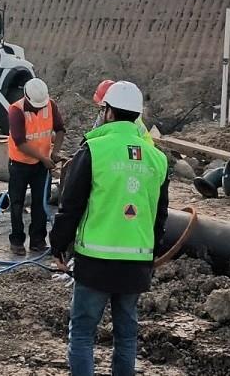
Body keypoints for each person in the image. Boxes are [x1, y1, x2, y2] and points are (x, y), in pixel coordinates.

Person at [50, 80, 170, 376]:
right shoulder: (157, 158)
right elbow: (159, 215)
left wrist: (58, 245)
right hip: (136, 262)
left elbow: (71, 205)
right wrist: (151, 254)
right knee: (126, 336)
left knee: (82, 334)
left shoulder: (94, 150)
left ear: (108, 113)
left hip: (96, 262)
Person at [5, 77, 65, 256]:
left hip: (41, 165)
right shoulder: (16, 110)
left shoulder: (50, 105)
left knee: (41, 202)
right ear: (26, 96)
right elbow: (20, 142)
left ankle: (37, 241)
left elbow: (60, 129)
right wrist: (44, 158)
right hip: (19, 164)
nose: (39, 107)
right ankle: (17, 241)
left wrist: (55, 152)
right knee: (16, 203)